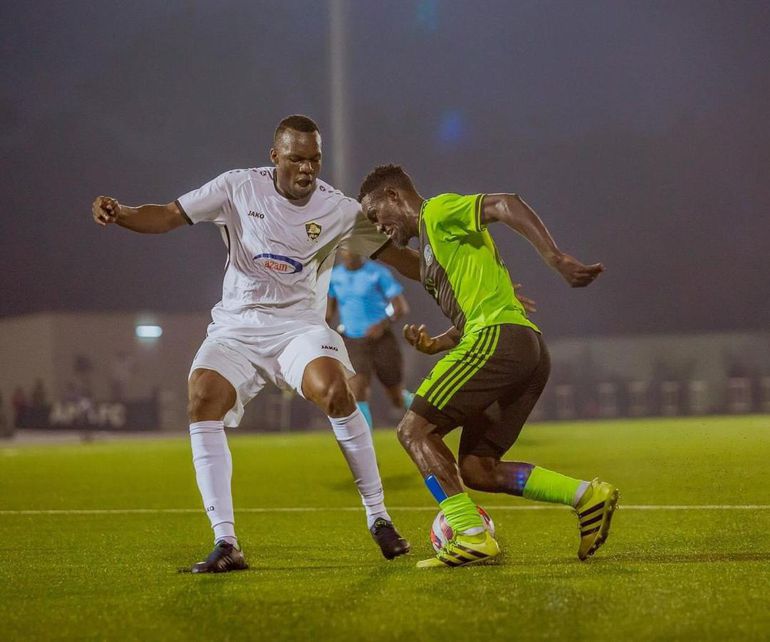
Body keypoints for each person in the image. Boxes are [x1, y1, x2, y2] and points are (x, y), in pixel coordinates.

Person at [91, 115, 419, 573]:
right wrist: (122, 212)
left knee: (335, 391)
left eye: (314, 159)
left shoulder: (339, 210)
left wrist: (459, 280)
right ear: (274, 156)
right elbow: (167, 215)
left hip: (299, 329)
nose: (307, 169)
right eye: (296, 159)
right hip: (238, 329)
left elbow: (402, 259)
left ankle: (378, 516)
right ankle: (226, 541)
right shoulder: (237, 187)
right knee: (203, 397)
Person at [358, 164, 618, 568]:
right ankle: (586, 496)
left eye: (377, 214)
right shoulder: (434, 256)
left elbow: (504, 204)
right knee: (478, 470)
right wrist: (436, 344)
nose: (379, 226)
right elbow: (401, 261)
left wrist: (555, 257)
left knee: (413, 431)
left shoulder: (437, 212)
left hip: (498, 339)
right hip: (526, 348)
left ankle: (470, 534)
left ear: (394, 195)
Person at [326, 249, 414, 428]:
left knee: (396, 396)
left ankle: (419, 410)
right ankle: (365, 439)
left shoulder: (377, 273)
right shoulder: (334, 277)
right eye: (345, 248)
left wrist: (381, 324)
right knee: (357, 390)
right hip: (352, 340)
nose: (349, 252)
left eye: (353, 247)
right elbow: (329, 312)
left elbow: (400, 307)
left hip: (381, 340)